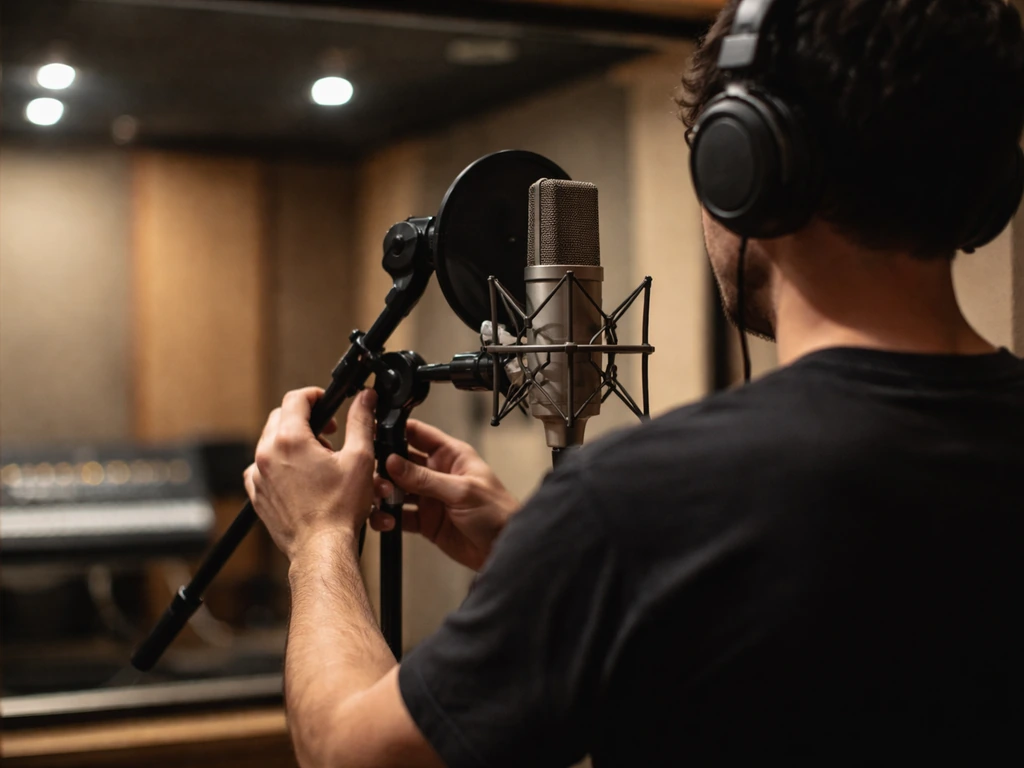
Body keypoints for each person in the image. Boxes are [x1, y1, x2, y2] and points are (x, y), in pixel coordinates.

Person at [243, 1, 1024, 765]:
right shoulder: (640, 524)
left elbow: (353, 753)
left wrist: (317, 540)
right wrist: (549, 560)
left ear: (743, 162)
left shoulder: (638, 503)